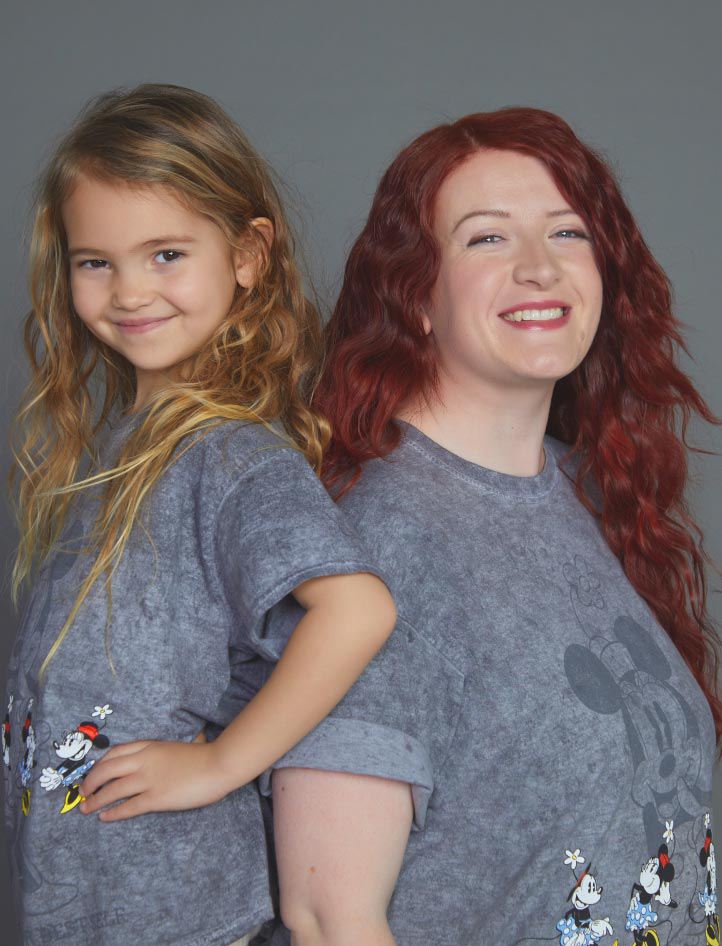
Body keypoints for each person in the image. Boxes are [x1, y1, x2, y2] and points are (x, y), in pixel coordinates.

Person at [263, 109, 722, 945]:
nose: (540, 268)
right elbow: (330, 919)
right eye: (487, 240)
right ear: (417, 294)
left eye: (567, 233)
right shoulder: (376, 542)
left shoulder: (587, 491)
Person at [2, 84, 396, 946]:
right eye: (94, 261)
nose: (130, 290)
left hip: (186, 919)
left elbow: (358, 608)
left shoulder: (230, 453)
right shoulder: (113, 450)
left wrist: (219, 763)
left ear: (248, 254)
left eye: (167, 254)